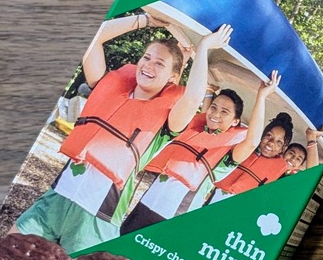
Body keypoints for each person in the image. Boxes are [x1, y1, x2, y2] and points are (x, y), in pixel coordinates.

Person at [11, 12, 233, 253]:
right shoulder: (108, 86)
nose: (149, 65)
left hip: (97, 218)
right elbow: (94, 36)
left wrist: (204, 48)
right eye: (147, 57)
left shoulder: (167, 123)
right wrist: (144, 20)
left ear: (172, 76)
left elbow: (192, 98)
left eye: (159, 63)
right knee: (4, 255)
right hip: (57, 199)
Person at [120, 71, 283, 234]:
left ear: (235, 121)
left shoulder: (227, 156)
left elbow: (252, 142)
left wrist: (262, 96)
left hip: (174, 221)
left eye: (224, 112)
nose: (216, 114)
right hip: (144, 206)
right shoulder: (190, 131)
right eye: (214, 107)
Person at [204, 110, 295, 205]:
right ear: (262, 136)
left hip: (239, 208)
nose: (271, 142)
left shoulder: (280, 176)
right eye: (269, 135)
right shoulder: (242, 147)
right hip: (211, 195)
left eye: (279, 142)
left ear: (282, 149)